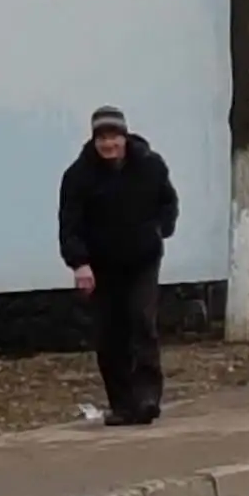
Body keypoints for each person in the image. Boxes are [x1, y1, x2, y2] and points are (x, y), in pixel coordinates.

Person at [58, 105, 179, 426]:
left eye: (114, 137)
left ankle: (147, 397)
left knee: (142, 321)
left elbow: (168, 201)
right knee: (110, 334)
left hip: (143, 259)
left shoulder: (150, 166)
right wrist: (79, 263)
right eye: (102, 138)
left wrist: (162, 228)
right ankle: (123, 405)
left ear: (124, 137)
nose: (108, 144)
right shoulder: (79, 176)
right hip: (102, 266)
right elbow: (69, 224)